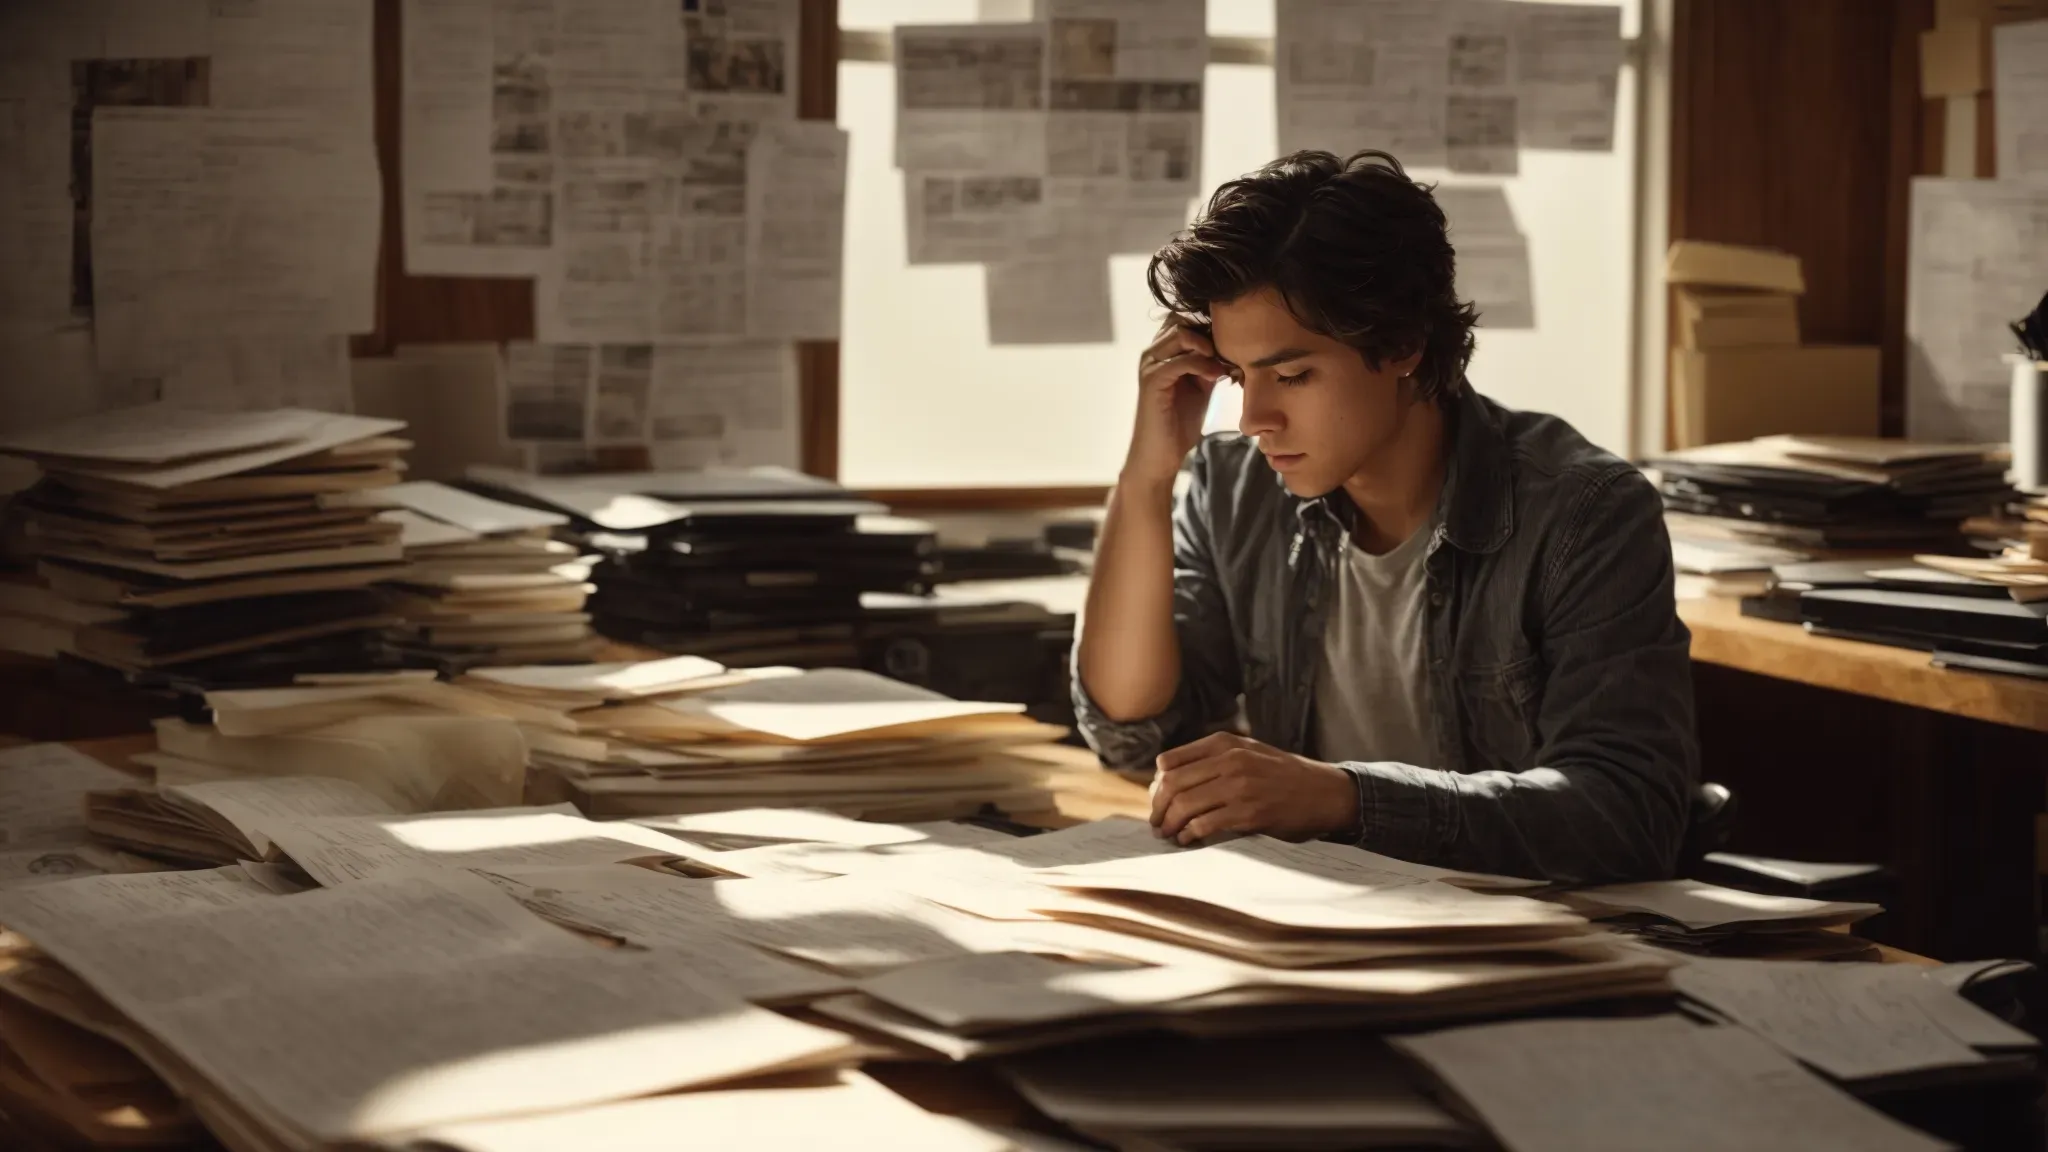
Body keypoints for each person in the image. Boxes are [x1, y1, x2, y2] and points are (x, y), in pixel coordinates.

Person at [1072, 149, 1698, 885]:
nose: (1252, 419)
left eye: (1292, 375)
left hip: (1517, 929)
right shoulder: (1235, 488)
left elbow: (1628, 817)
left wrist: (1344, 799)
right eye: (1238, 377)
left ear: (1402, 345)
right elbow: (1132, 733)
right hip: (1321, 916)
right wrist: (1146, 478)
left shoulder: (1584, 512)